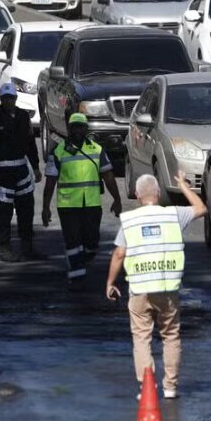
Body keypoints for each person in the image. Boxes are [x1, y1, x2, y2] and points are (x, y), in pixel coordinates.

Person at [105, 171, 207, 400]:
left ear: (137, 196)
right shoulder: (173, 215)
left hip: (140, 290)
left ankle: (147, 387)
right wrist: (183, 186)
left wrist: (110, 282)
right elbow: (201, 209)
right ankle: (170, 387)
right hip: (167, 289)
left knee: (141, 338)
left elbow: (119, 253)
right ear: (159, 194)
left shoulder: (130, 220)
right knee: (171, 335)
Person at [41, 112, 122, 289]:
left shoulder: (97, 150)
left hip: (92, 204)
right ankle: (77, 277)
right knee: (72, 240)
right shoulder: (58, 151)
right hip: (68, 205)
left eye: (80, 127)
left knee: (91, 241)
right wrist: (45, 207)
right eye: (74, 127)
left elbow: (108, 176)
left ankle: (81, 261)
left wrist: (117, 200)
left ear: (86, 129)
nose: (77, 130)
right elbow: (50, 182)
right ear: (69, 130)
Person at [0, 83, 45, 262]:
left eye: (11, 98)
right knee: (5, 211)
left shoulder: (24, 116)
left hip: (21, 168)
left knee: (27, 208)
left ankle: (27, 246)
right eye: (6, 98)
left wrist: (36, 167)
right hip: (3, 169)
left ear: (15, 98)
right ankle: (4, 247)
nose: (9, 101)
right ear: (1, 99)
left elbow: (31, 144)